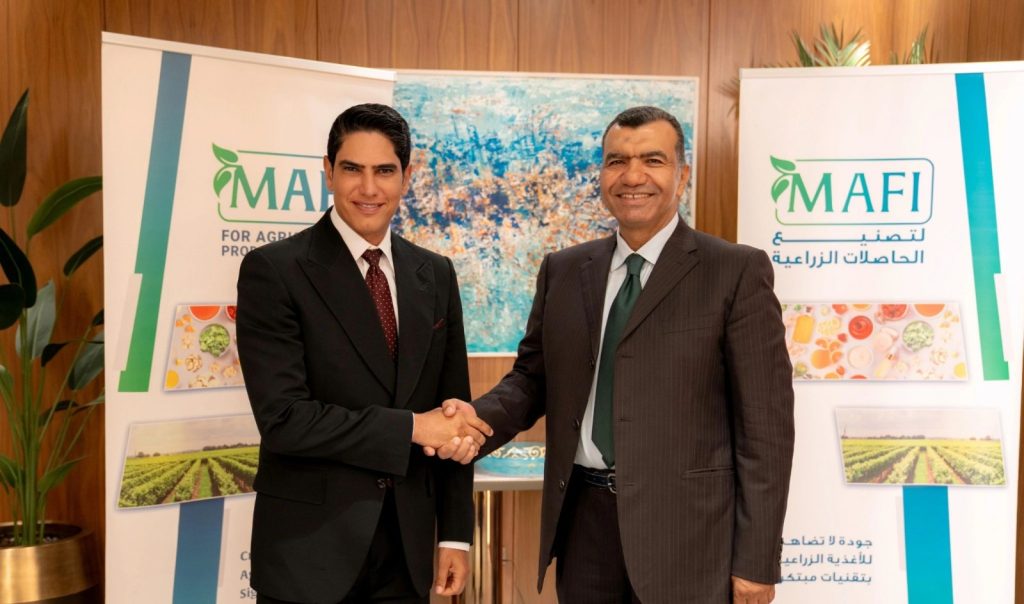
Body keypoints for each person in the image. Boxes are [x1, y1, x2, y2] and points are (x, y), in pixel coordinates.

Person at [430, 106, 794, 604]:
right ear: (602, 174)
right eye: (617, 161)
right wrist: (473, 422)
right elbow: (532, 380)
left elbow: (766, 431)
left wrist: (755, 560)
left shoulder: (734, 272)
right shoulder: (564, 270)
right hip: (584, 526)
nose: (633, 176)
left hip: (690, 538)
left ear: (683, 174)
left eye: (653, 160)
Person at [236, 103, 493, 604]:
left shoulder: (435, 273)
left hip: (408, 552)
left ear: (407, 177)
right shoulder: (275, 270)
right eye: (352, 169)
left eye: (385, 171)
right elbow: (285, 420)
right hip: (309, 554)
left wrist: (454, 535)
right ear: (328, 171)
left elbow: (452, 411)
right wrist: (412, 428)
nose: (369, 188)